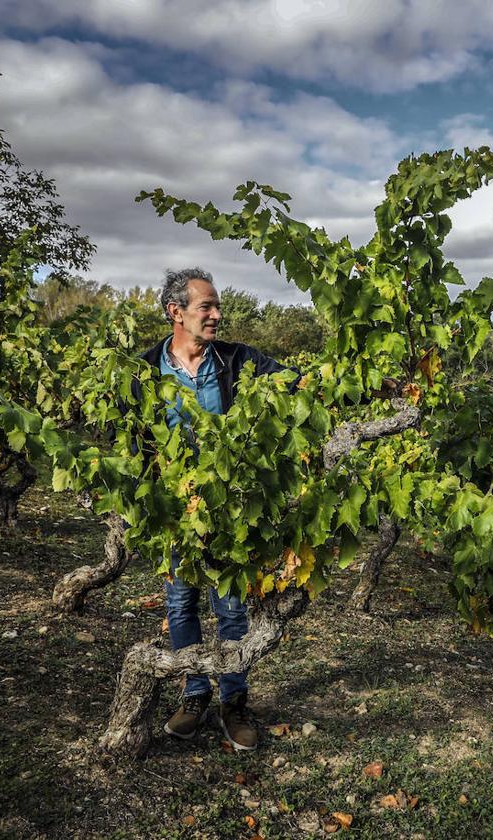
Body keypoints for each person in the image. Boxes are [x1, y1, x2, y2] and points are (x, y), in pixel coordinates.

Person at [140, 267, 293, 751]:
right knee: (181, 603)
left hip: (229, 510)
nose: (216, 315)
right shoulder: (145, 369)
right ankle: (193, 693)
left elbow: (294, 382)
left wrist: (360, 385)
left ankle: (234, 701)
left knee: (230, 607)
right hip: (172, 512)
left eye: (216, 305)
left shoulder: (237, 360)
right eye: (206, 306)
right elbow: (131, 440)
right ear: (175, 312)